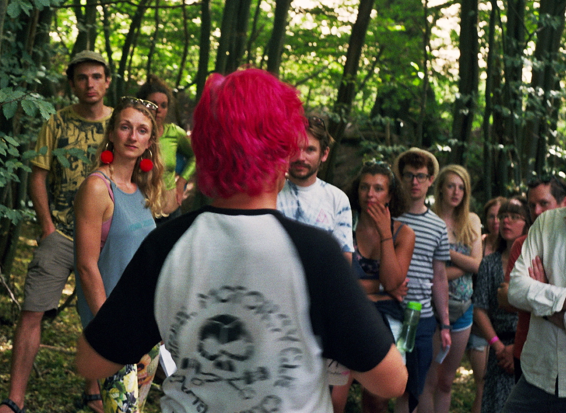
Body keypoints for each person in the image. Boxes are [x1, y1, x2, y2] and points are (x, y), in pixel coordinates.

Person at [75, 68, 407, 413]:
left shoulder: (166, 244)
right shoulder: (315, 253)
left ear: (204, 151)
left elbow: (91, 362)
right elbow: (391, 381)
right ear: (282, 156)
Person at [0, 50, 113, 413]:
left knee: (99, 312)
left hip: (106, 236)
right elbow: (39, 175)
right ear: (72, 83)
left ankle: (96, 390)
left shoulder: (119, 124)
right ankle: (14, 399)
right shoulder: (57, 123)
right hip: (60, 233)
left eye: (96, 76)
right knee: (32, 311)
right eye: (82, 78)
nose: (89, 84)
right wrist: (46, 225)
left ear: (107, 81)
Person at [74, 96, 166, 412]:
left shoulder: (141, 188)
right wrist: (109, 329)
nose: (132, 136)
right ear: (112, 132)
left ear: (150, 141)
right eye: (125, 127)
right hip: (114, 326)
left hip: (144, 324)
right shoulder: (98, 187)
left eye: (141, 130)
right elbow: (86, 266)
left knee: (135, 407)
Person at [331, 161, 415, 413]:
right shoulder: (343, 224)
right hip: (344, 317)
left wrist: (384, 234)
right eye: (365, 187)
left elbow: (394, 282)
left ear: (390, 195)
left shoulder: (403, 233)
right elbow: (338, 285)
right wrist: (380, 289)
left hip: (385, 321)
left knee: (376, 400)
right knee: (335, 399)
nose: (370, 194)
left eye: (378, 188)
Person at [393, 148, 452, 413]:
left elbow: (439, 277)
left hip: (421, 317)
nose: (414, 182)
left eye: (420, 176)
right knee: (390, 383)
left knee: (415, 386)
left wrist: (446, 323)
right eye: (408, 175)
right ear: (401, 178)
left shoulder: (438, 226)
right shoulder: (388, 217)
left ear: (430, 180)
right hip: (390, 311)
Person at [419, 165, 482, 413]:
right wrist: (460, 264)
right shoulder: (429, 220)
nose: (456, 192)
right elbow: (425, 270)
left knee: (447, 381)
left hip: (463, 309)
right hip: (432, 309)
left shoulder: (472, 221)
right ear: (441, 188)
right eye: (451, 186)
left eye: (461, 187)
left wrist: (446, 255)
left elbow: (477, 265)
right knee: (429, 380)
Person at [498, 175, 566, 382]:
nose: (536, 211)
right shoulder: (522, 244)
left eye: (544, 203)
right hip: (528, 351)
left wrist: (539, 289)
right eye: (531, 205)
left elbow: (517, 295)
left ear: (563, 202)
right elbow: (507, 296)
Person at [503, 205, 566, 412]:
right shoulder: (547, 222)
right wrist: (559, 298)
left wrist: (542, 297)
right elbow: (516, 290)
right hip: (538, 374)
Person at [473, 196, 527, 413]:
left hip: (529, 347)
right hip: (499, 350)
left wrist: (518, 350)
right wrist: (498, 347)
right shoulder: (489, 263)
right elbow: (479, 308)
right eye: (503, 216)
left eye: (514, 217)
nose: (506, 221)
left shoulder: (536, 260)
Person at [276, 115, 353, 261]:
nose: (300, 157)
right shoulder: (270, 193)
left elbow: (344, 260)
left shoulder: (337, 199)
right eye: (294, 149)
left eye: (309, 150)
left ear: (324, 154)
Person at [135, 75, 195, 223]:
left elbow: (196, 156)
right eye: (153, 104)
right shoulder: (131, 135)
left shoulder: (174, 133)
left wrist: (181, 183)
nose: (159, 110)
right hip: (138, 215)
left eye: (164, 105)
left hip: (170, 214)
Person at [467, 196, 506, 413]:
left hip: (505, 328)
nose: (496, 221)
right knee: (482, 385)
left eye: (500, 216)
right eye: (491, 216)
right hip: (478, 324)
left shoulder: (515, 247)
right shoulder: (478, 244)